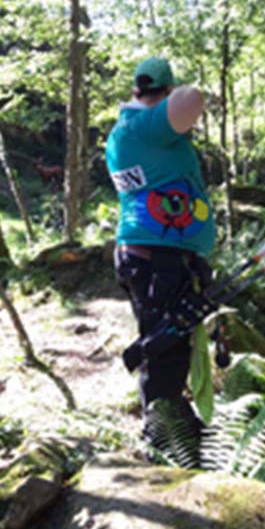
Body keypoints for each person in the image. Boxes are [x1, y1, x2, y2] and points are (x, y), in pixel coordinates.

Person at [106, 56, 216, 455]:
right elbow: (193, 97)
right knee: (165, 346)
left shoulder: (127, 131)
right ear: (165, 91)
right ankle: (163, 438)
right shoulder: (142, 126)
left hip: (156, 256)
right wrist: (170, 99)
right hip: (158, 259)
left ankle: (172, 422)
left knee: (171, 340)